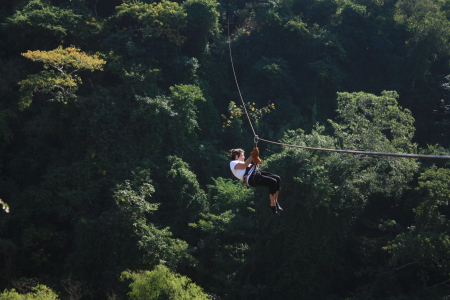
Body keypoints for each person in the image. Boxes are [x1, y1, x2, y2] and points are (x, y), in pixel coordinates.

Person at [228, 148, 282, 215]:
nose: (244, 157)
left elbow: (252, 165)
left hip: (255, 174)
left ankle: (275, 201)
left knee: (277, 178)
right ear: (236, 156)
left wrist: (255, 157)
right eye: (242, 155)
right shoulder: (233, 163)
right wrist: (252, 156)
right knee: (272, 182)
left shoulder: (242, 162)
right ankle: (272, 205)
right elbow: (244, 166)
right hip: (251, 179)